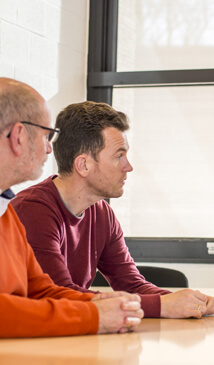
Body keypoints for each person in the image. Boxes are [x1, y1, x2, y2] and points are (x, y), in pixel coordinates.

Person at [11, 101, 214, 319]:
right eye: (119, 155)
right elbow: (60, 296)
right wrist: (161, 306)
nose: (128, 166)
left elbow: (131, 283)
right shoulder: (33, 211)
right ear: (83, 165)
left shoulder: (101, 212)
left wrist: (187, 302)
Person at [0, 77, 144, 337]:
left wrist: (103, 303)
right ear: (19, 136)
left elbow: (42, 290)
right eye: (46, 136)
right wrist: (94, 315)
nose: (48, 149)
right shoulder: (27, 208)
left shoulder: (6, 212)